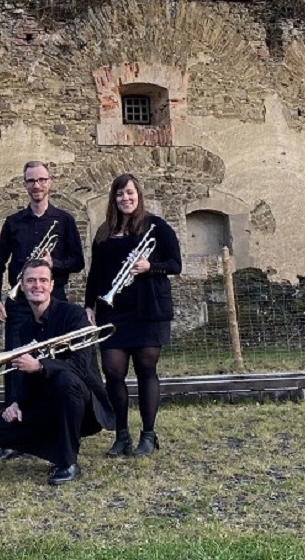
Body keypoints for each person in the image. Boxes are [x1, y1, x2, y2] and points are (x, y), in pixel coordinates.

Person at [0, 259, 114, 485]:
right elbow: (26, 377)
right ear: (21, 286)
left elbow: (81, 366)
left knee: (65, 380)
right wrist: (16, 403)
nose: (37, 286)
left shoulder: (74, 315)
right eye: (30, 281)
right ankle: (60, 449)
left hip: (84, 407)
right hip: (48, 406)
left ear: (52, 285)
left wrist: (41, 366)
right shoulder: (25, 328)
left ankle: (68, 463)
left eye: (43, 280)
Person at [0, 160, 84, 462]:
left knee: (55, 365)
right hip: (18, 305)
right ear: (24, 184)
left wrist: (55, 265)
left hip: (54, 303)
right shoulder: (13, 222)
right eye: (31, 181)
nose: (37, 185)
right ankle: (14, 436)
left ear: (50, 182)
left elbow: (77, 262)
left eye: (42, 180)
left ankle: (56, 428)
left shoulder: (64, 220)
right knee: (15, 368)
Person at [84, 172, 182, 458]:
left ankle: (148, 435)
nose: (125, 198)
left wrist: (149, 266)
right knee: (113, 371)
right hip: (113, 310)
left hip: (147, 308)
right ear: (113, 199)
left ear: (138, 195)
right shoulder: (104, 232)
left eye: (130, 193)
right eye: (119, 194)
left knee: (145, 370)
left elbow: (175, 264)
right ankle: (121, 435)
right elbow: (95, 274)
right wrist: (89, 305)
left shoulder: (156, 226)